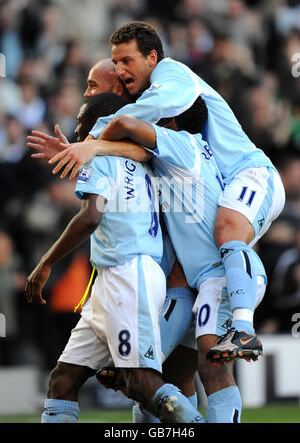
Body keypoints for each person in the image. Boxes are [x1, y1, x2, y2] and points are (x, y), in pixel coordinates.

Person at [49, 21, 285, 364]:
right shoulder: (149, 100)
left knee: (227, 231)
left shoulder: (172, 76)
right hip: (214, 193)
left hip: (250, 172)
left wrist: (91, 142)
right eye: (116, 63)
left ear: (152, 58)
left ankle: (244, 328)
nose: (121, 69)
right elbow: (143, 149)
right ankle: (153, 366)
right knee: (182, 283)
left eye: (127, 60)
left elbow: (141, 118)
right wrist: (81, 147)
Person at [25, 92, 206, 424]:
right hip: (115, 278)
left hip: (128, 275)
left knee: (141, 381)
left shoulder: (101, 158)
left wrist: (45, 262)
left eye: (81, 125)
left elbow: (91, 216)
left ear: (99, 125)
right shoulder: (142, 159)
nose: (78, 134)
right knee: (63, 379)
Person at [94, 96, 267, 423]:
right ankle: (140, 369)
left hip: (224, 277)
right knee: (171, 376)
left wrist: (91, 144)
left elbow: (130, 130)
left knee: (211, 366)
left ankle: (241, 331)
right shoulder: (176, 162)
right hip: (198, 282)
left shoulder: (184, 144)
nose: (154, 123)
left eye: (160, 117)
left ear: (172, 122)